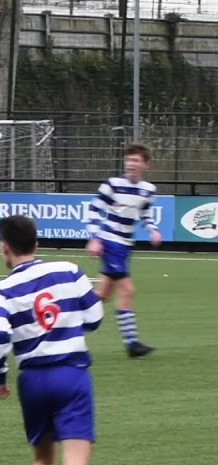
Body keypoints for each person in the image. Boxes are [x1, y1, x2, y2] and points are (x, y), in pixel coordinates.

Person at [0, 215, 104, 465]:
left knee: (43, 458)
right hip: (70, 374)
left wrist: (0, 377)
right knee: (78, 456)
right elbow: (96, 317)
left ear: (4, 248)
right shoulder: (69, 270)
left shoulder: (0, 291)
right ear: (37, 244)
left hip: (33, 379)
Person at [84, 143, 162, 358]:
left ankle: (64, 322)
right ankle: (132, 344)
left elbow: (144, 214)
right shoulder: (112, 185)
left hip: (125, 245)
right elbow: (93, 209)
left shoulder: (148, 190)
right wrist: (95, 238)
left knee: (103, 294)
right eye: (129, 160)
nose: (131, 164)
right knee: (128, 290)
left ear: (146, 164)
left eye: (136, 160)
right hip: (110, 242)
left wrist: (153, 231)